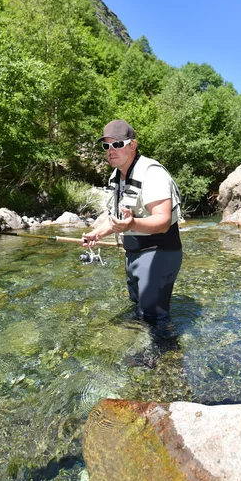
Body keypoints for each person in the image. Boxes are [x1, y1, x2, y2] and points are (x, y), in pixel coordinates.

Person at [82, 119, 182, 328]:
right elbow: (119, 220)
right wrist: (97, 234)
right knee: (139, 309)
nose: (110, 150)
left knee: (154, 318)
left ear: (132, 145)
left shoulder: (151, 173)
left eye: (117, 144)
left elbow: (163, 221)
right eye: (106, 146)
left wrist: (131, 224)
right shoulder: (116, 176)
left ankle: (165, 358)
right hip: (134, 252)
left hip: (159, 251)